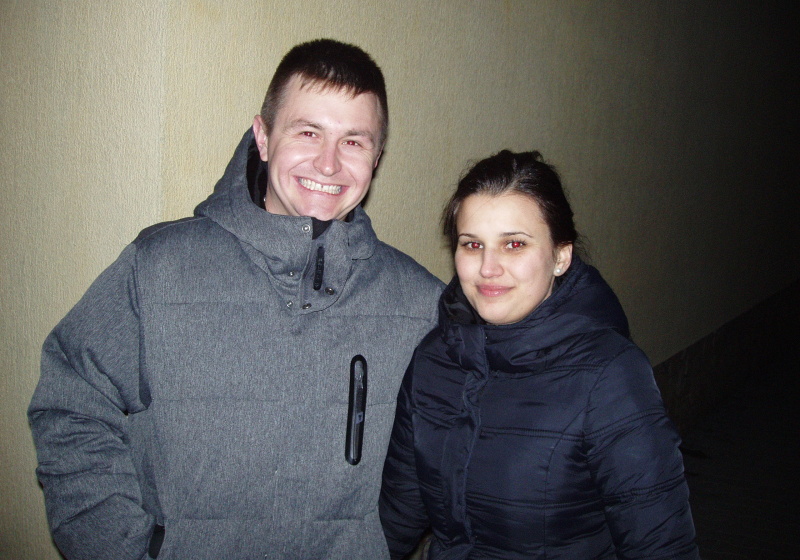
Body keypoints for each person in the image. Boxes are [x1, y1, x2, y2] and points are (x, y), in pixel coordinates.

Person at [29, 39, 443, 560]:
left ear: (376, 158)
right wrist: (124, 548)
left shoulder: (421, 304)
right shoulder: (159, 269)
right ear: (263, 137)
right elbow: (73, 406)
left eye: (354, 141)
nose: (328, 163)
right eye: (308, 132)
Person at [379, 150, 699, 559]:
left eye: (514, 244)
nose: (488, 267)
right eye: (472, 244)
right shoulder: (434, 360)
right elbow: (398, 514)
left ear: (560, 256)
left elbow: (660, 544)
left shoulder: (610, 375)